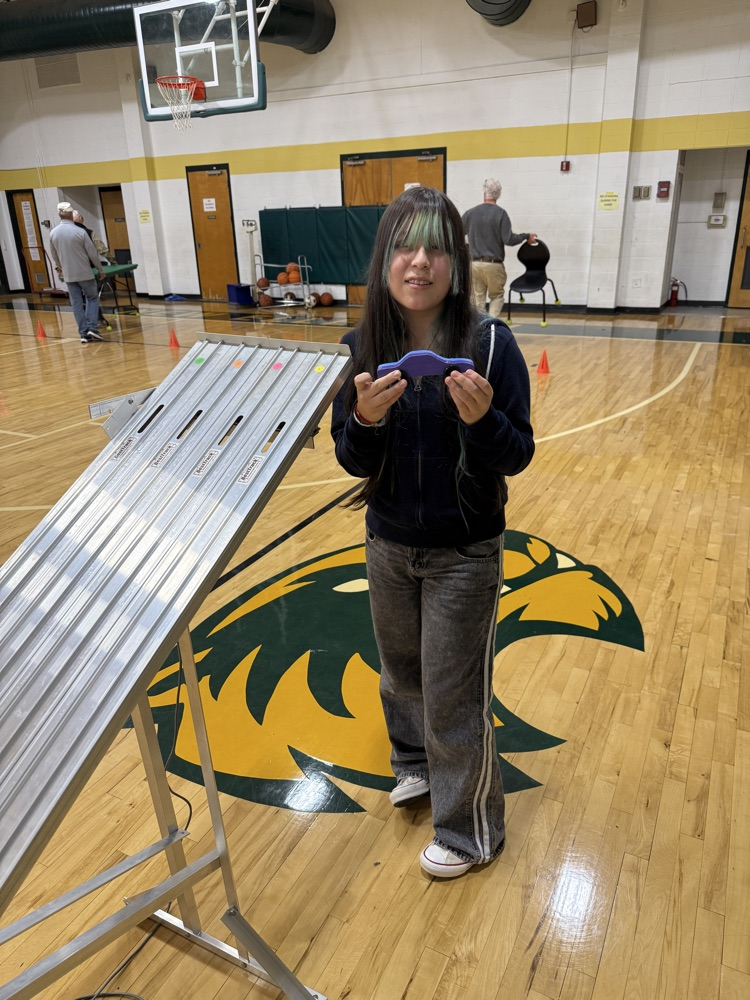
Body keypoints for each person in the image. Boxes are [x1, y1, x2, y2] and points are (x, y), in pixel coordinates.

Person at [330, 186, 534, 879]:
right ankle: (412, 765)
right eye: (404, 246)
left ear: (457, 261)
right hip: (387, 544)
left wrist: (484, 422)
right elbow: (349, 457)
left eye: (436, 248)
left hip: (464, 553)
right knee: (402, 674)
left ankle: (471, 831)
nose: (419, 262)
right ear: (384, 259)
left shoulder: (493, 345)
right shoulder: (360, 348)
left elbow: (518, 455)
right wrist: (363, 421)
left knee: (453, 696)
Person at [462, 178, 537, 318]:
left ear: (484, 193)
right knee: (496, 296)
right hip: (493, 265)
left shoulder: (470, 213)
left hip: (474, 264)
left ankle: (480, 330)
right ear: (498, 194)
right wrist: (526, 236)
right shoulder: (501, 214)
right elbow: (509, 239)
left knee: (478, 300)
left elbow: (457, 232)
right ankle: (492, 326)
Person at [48, 203, 104, 343]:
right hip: (84, 272)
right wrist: (100, 269)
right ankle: (92, 328)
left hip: (69, 275)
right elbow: (92, 254)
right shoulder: (80, 232)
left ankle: (83, 334)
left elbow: (54, 255)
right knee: (92, 298)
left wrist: (60, 267)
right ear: (71, 214)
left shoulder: (53, 233)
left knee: (76, 303)